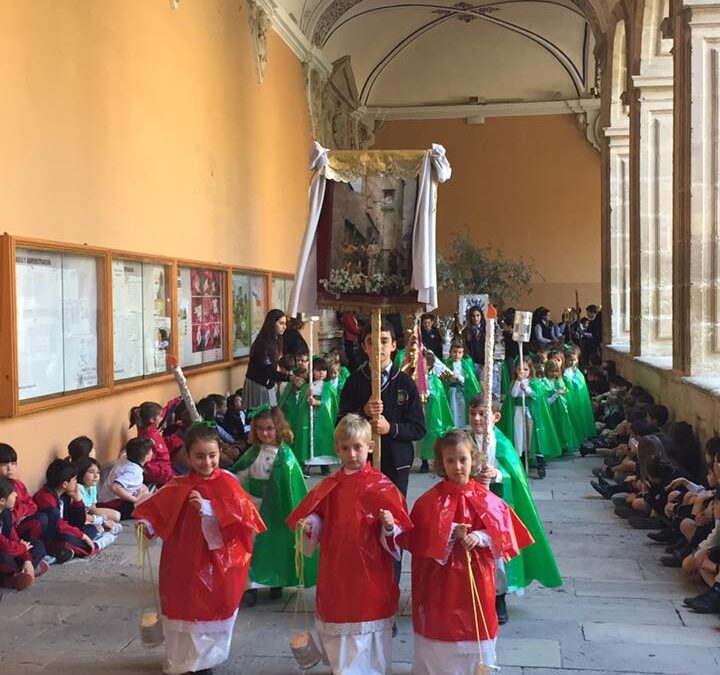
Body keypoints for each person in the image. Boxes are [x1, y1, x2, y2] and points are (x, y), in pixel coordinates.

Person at [134, 423, 266, 675]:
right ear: (188, 455)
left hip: (217, 560)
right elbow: (157, 510)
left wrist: (209, 508)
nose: (207, 462)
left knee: (212, 606)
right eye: (200, 456)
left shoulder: (228, 483)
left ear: (219, 453)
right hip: (183, 557)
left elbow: (244, 519)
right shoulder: (178, 485)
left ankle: (206, 660)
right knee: (184, 604)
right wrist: (146, 524)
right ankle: (184, 658)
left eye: (212, 455)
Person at [287, 414, 413, 675]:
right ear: (337, 449)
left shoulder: (382, 486)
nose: (352, 454)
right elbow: (317, 515)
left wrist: (389, 526)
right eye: (346, 448)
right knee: (340, 620)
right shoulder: (329, 486)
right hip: (337, 565)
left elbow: (399, 533)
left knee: (368, 621)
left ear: (370, 446)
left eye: (357, 447)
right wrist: (310, 523)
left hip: (371, 568)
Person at [397, 431, 532, 674]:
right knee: (441, 622)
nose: (457, 466)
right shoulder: (430, 501)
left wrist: (478, 536)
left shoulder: (486, 498)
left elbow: (502, 534)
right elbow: (418, 537)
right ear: (441, 463)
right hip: (439, 582)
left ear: (473, 460)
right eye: (450, 461)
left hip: (476, 580)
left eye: (463, 459)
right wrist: (449, 531)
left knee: (475, 622)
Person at [468, 396, 563, 622]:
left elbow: (515, 476)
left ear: (496, 417)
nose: (477, 419)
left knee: (498, 553)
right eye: (473, 414)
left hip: (497, 504)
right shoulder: (465, 440)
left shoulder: (502, 444)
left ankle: (499, 597)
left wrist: (498, 474)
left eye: (483, 413)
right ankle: (473, 595)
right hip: (471, 503)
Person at [232, 405, 317, 607]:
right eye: (260, 429)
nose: (265, 433)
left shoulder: (286, 456)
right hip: (254, 507)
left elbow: (293, 485)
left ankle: (277, 580)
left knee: (276, 545)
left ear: (278, 428)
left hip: (278, 509)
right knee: (252, 547)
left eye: (269, 428)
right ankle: (250, 585)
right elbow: (239, 474)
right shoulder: (252, 453)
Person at [338, 321, 426, 497]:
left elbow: (418, 428)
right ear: (364, 347)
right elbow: (340, 424)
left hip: (397, 462)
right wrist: (363, 413)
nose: (378, 347)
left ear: (394, 345)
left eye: (384, 341)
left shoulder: (405, 383)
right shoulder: (354, 382)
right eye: (371, 342)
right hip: (362, 462)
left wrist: (390, 428)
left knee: (393, 517)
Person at [33, 459, 95, 562]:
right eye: (74, 480)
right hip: (52, 536)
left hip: (64, 531)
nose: (76, 483)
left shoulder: (64, 495)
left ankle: (70, 549)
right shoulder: (44, 497)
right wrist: (83, 537)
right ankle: (85, 546)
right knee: (71, 538)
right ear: (65, 484)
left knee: (91, 529)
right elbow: (59, 524)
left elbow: (78, 523)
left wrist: (77, 500)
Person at [0, 476, 48, 590]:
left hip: (11, 549)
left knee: (38, 545)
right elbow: (5, 545)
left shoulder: (6, 515)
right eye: (13, 493)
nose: (16, 495)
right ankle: (16, 575)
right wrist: (22, 548)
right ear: (2, 501)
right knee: (3, 557)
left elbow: (13, 538)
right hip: (4, 551)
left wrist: (27, 560)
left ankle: (19, 573)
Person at [0, 443, 48, 547]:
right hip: (6, 531)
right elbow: (5, 514)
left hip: (20, 523)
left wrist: (20, 514)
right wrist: (16, 516)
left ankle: (28, 548)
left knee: (42, 518)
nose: (10, 468)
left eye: (13, 463)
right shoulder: (2, 488)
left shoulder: (18, 484)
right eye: (4, 465)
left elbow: (33, 506)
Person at [97, 437, 153, 520]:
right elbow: (115, 487)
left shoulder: (126, 456)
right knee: (149, 499)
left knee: (143, 488)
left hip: (104, 498)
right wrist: (135, 499)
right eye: (151, 451)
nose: (152, 452)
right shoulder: (134, 473)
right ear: (147, 457)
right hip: (113, 505)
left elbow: (122, 453)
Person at [244, 309, 289, 409]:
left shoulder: (276, 340)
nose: (284, 327)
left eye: (285, 323)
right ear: (272, 323)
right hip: (258, 384)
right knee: (262, 417)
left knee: (271, 415)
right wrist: (288, 377)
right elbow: (268, 370)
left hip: (268, 383)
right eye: (281, 323)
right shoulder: (263, 343)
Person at [129, 401, 176, 486]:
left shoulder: (147, 427)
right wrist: (171, 478)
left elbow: (163, 411)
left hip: (167, 471)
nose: (162, 418)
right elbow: (149, 466)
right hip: (162, 478)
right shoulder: (149, 439)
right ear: (152, 420)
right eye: (160, 416)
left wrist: (174, 402)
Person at [75, 456, 122, 537]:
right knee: (97, 529)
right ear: (81, 473)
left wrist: (102, 519)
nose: (96, 476)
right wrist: (101, 521)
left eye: (98, 472)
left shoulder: (92, 487)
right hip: (79, 518)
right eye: (91, 472)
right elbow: (80, 515)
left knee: (116, 516)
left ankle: (102, 528)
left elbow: (93, 509)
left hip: (88, 514)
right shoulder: (78, 488)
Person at [544, 360, 580, 454]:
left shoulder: (558, 380)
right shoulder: (544, 382)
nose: (554, 373)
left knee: (562, 427)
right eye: (551, 371)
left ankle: (564, 445)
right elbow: (546, 400)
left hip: (560, 410)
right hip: (551, 410)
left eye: (556, 371)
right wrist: (557, 393)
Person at [443, 340, 481, 428]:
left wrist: (460, 378)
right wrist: (449, 379)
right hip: (451, 392)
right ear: (450, 352)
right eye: (454, 352)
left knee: (462, 410)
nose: (457, 355)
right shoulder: (446, 365)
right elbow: (442, 380)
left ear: (463, 353)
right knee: (453, 410)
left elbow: (470, 379)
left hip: (463, 392)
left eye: (459, 352)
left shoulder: (465, 365)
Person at [563, 345, 598, 442]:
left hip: (579, 399)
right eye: (570, 360)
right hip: (571, 398)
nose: (572, 362)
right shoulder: (565, 372)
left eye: (574, 360)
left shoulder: (577, 371)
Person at [461, 305, 486, 379]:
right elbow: (464, 346)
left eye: (478, 315)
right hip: (472, 363)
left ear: (481, 316)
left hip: (484, 363)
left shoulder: (486, 330)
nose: (476, 318)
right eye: (473, 316)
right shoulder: (466, 331)